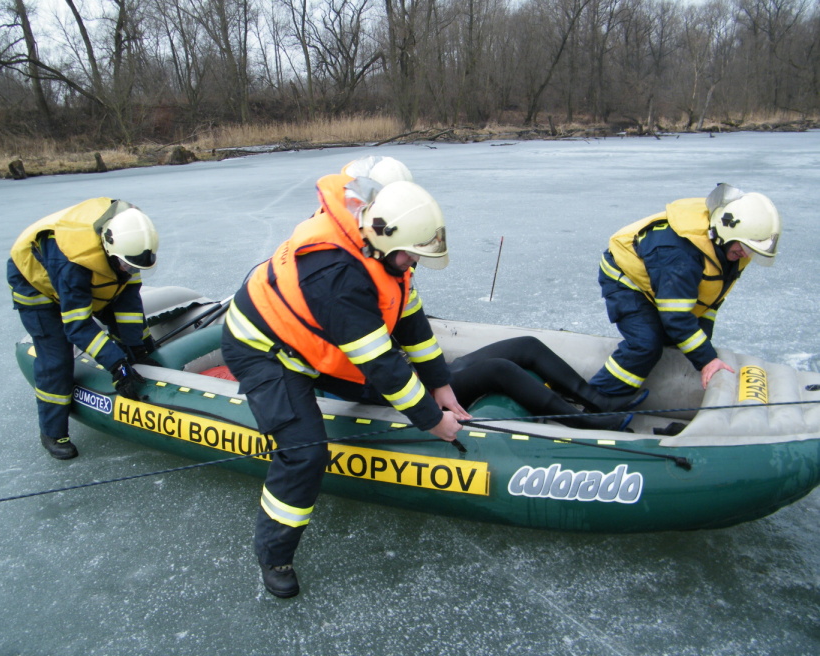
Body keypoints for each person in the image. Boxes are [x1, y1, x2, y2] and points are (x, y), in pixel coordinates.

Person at [221, 173, 469, 598]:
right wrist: (432, 421)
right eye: (410, 256)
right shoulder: (337, 275)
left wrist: (440, 387)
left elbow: (413, 326)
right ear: (385, 241)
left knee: (388, 393)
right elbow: (382, 364)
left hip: (313, 339)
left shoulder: (381, 252)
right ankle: (274, 555)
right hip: (263, 349)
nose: (412, 264)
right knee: (304, 453)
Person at [588, 184, 782, 398]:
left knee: (684, 340)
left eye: (751, 250)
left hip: (664, 278)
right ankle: (596, 400)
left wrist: (702, 342)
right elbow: (676, 317)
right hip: (628, 280)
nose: (746, 254)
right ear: (727, 232)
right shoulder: (681, 254)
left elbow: (710, 300)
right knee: (645, 345)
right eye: (744, 248)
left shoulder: (731, 252)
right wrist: (706, 359)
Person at [8, 198, 159, 460]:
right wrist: (117, 365)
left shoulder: (131, 245)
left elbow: (128, 301)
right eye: (128, 266)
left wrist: (138, 347)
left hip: (87, 273)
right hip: (37, 284)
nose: (132, 271)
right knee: (56, 357)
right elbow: (77, 325)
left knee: (132, 333)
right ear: (110, 251)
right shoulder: (73, 263)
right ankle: (53, 433)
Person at [447, 337, 634, 431]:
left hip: (436, 372)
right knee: (498, 369)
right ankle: (583, 422)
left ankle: (597, 401)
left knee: (527, 345)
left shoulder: (415, 289)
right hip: (424, 393)